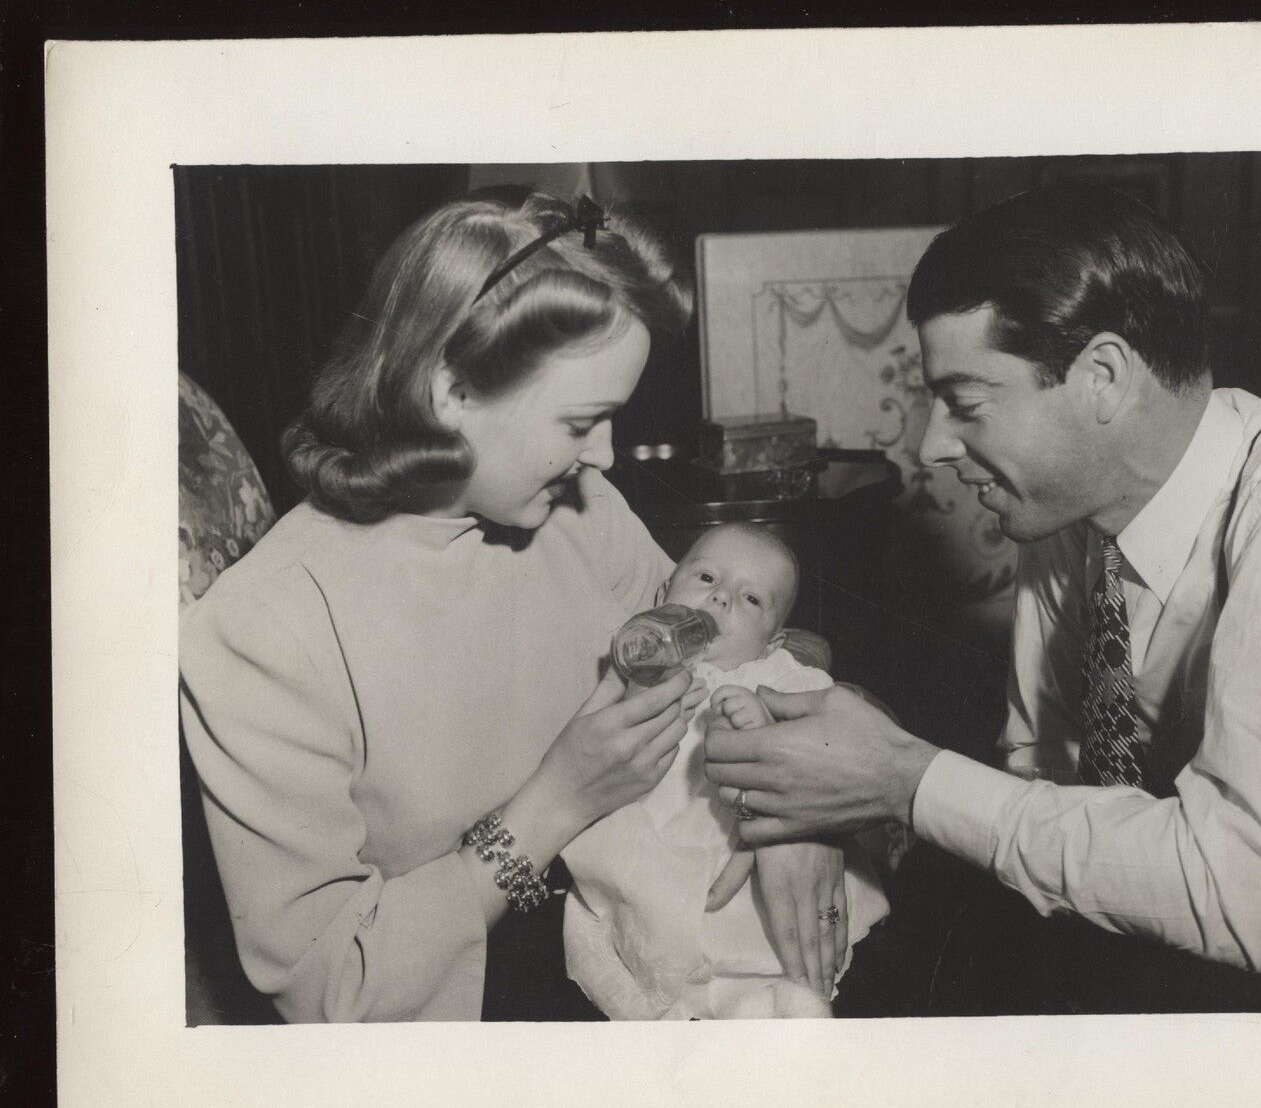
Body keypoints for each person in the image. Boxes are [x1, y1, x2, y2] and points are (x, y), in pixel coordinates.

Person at [703, 184, 1261, 1013]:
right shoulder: (1069, 517)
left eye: (966, 403)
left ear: (1101, 376)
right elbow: (1041, 800)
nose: (933, 447)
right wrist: (819, 810)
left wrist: (904, 783)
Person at [179, 189, 844, 1023]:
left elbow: (762, 646)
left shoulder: (579, 507)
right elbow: (332, 992)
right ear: (452, 389)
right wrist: (556, 800)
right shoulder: (264, 629)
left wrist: (797, 813)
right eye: (581, 422)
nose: (603, 454)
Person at [562, 523, 888, 1019]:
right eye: (707, 577)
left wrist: (765, 727)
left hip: (744, 866)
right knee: (630, 947)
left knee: (766, 961)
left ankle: (784, 1003)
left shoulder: (778, 676)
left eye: (752, 599)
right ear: (662, 593)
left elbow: (836, 740)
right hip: (652, 853)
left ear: (772, 640)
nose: (721, 599)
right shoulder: (639, 665)